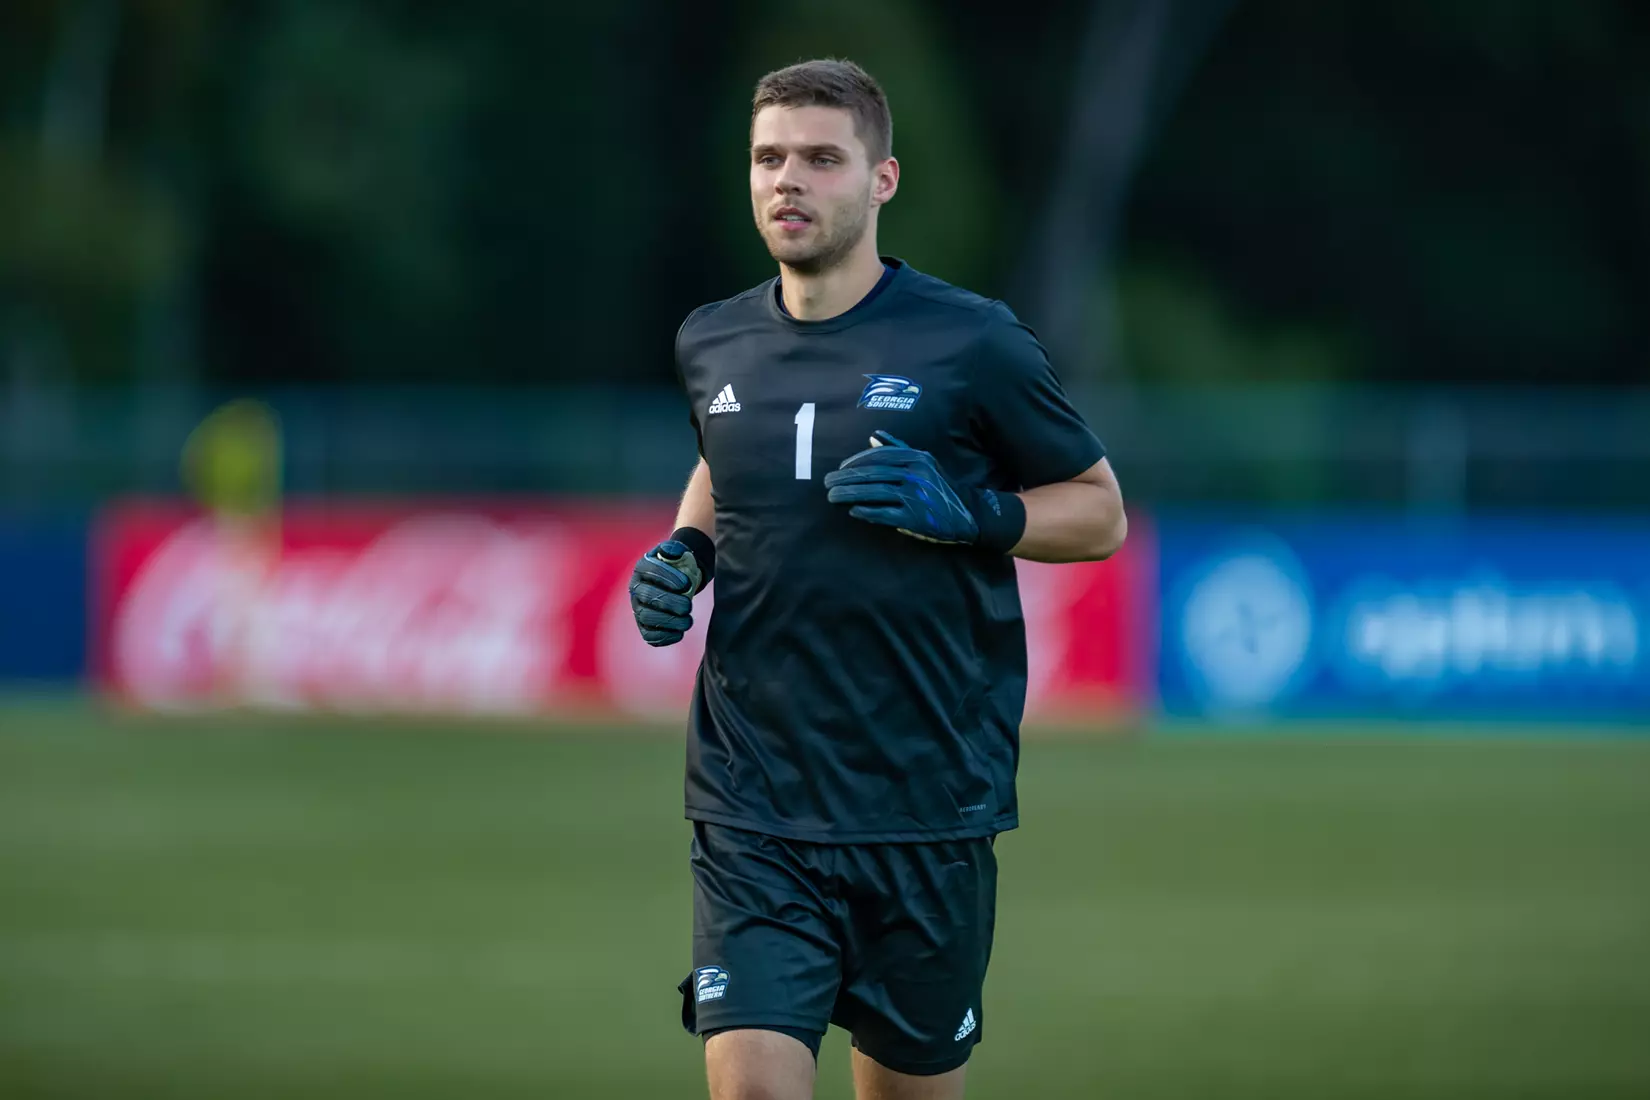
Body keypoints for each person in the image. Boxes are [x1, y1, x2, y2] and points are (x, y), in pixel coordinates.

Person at [630, 58, 1127, 1100]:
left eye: (820, 157)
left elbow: (1099, 508)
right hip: (753, 799)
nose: (788, 181)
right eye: (769, 158)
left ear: (881, 181)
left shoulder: (972, 340)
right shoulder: (712, 338)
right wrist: (689, 548)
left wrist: (978, 514)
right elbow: (726, 462)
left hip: (926, 803)